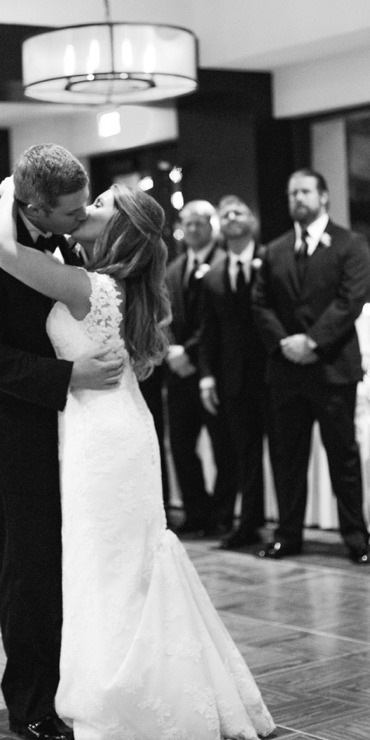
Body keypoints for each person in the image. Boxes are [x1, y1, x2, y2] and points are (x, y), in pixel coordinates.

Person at [0, 174, 275, 740]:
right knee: (123, 563)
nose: (87, 208)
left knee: (105, 564)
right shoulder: (123, 286)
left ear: (116, 228)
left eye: (99, 204)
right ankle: (138, 683)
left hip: (102, 439)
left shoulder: (88, 287)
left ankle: (122, 695)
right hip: (119, 428)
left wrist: (8, 191)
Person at [0, 144, 123, 740]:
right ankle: (31, 705)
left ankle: (72, 687)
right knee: (29, 577)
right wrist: (68, 378)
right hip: (12, 439)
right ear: (31, 206)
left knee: (68, 571)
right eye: (70, 213)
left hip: (70, 435)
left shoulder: (63, 237)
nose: (81, 220)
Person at [253, 169, 370, 565]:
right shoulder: (274, 250)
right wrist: (286, 343)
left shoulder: (350, 244)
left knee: (343, 457)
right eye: (291, 193)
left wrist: (313, 341)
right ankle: (288, 535)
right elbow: (260, 303)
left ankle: (355, 537)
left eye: (304, 191)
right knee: (288, 459)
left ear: (324, 197)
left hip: (333, 368)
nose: (297, 199)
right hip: (287, 371)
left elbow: (350, 300)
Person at [199, 196, 268, 549]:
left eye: (238, 211)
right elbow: (208, 331)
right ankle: (249, 524)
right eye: (224, 214)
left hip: (274, 376)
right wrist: (207, 375)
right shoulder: (212, 275)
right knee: (244, 455)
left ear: (252, 220)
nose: (231, 217)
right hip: (234, 379)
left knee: (285, 456)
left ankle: (287, 527)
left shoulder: (271, 261)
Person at [164, 200, 231, 535]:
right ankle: (195, 512)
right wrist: (170, 350)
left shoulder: (224, 262)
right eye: (186, 223)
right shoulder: (173, 269)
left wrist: (188, 352)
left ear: (211, 226)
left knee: (223, 447)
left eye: (199, 223)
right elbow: (162, 315)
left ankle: (221, 516)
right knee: (181, 446)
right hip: (177, 373)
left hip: (211, 370)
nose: (192, 229)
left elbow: (215, 322)